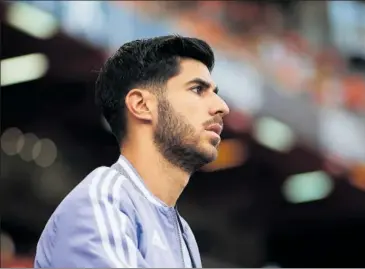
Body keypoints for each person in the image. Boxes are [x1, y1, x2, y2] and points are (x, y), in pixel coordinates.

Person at [34, 35, 230, 268]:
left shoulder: (183, 235)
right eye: (198, 89)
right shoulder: (104, 200)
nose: (222, 106)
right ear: (141, 105)